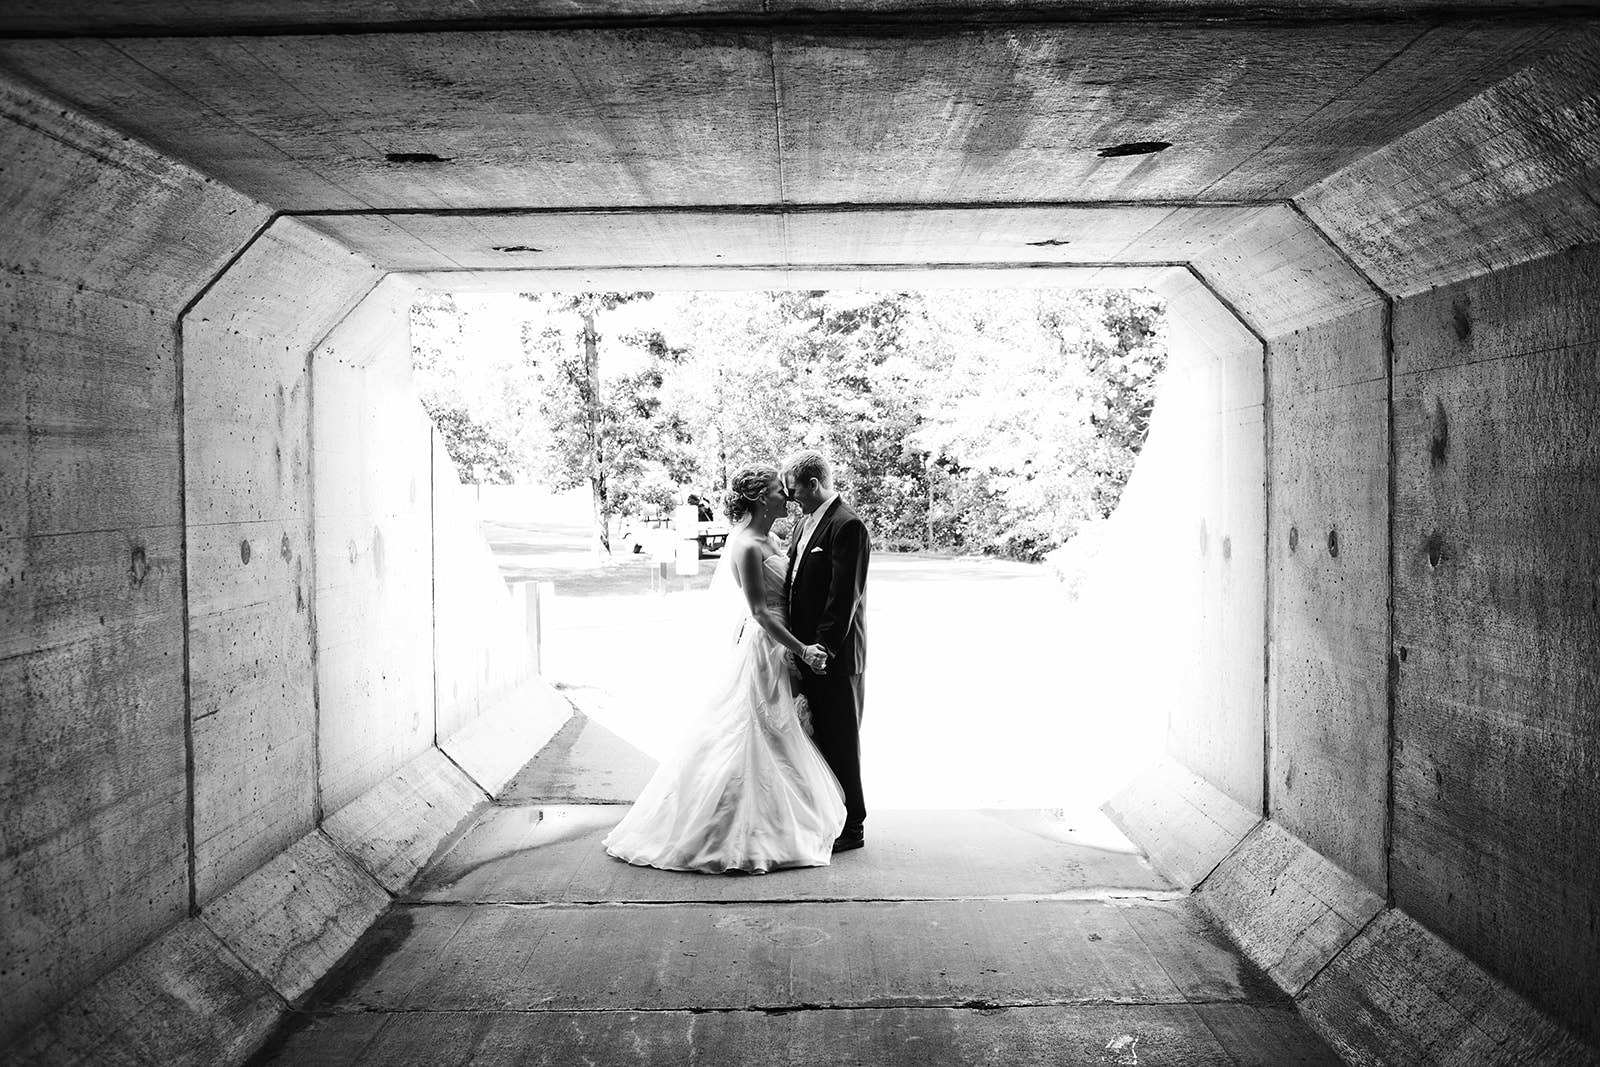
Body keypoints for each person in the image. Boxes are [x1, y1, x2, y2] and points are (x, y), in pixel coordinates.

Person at [602, 465, 846, 874]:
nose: (785, 495)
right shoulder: (747, 545)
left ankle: (772, 823)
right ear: (757, 499)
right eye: (775, 490)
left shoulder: (772, 537)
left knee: (778, 736)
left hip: (781, 644)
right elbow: (759, 613)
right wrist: (802, 649)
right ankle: (731, 830)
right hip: (768, 645)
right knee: (753, 734)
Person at [781, 449, 870, 852]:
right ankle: (826, 817)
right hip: (804, 652)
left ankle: (852, 827)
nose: (791, 496)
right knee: (815, 739)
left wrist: (821, 651)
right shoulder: (803, 526)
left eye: (795, 488)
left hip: (833, 657)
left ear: (814, 484)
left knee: (841, 740)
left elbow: (843, 598)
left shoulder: (848, 526)